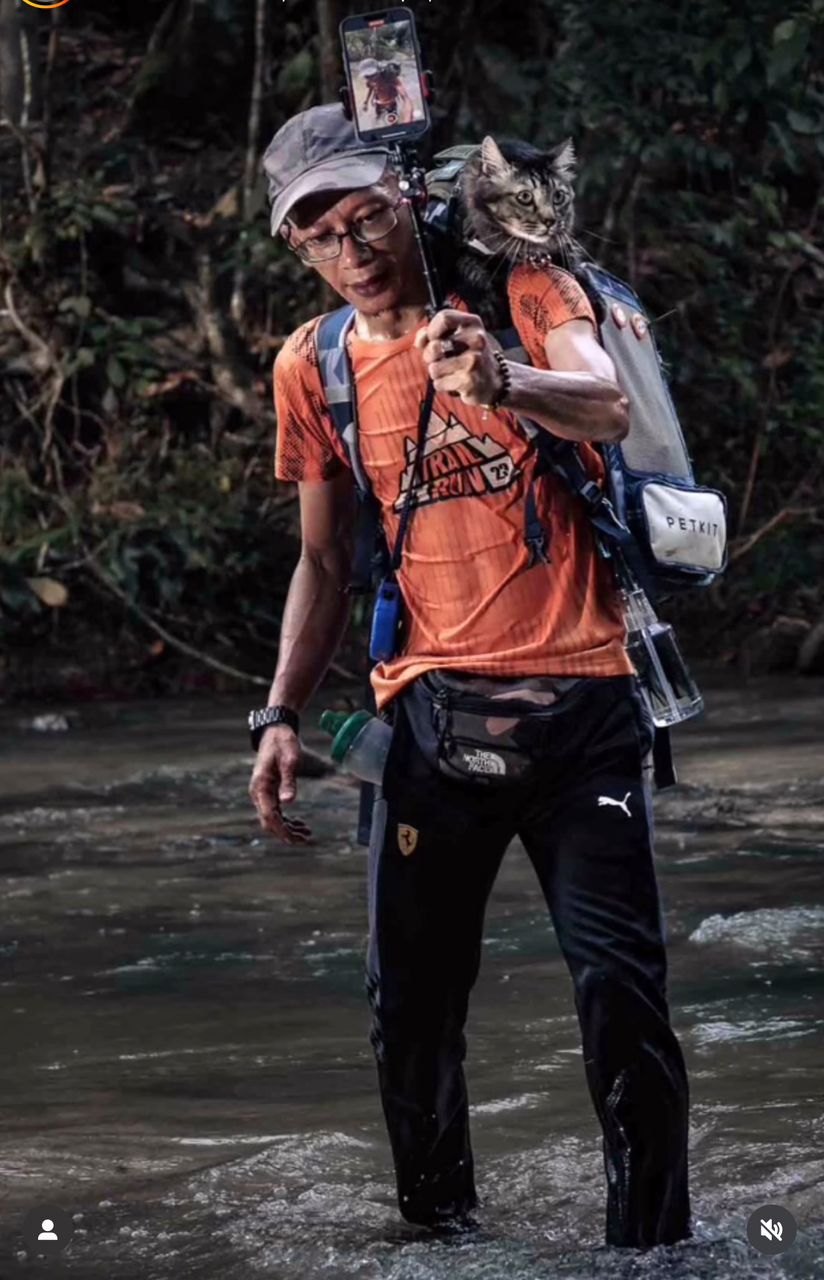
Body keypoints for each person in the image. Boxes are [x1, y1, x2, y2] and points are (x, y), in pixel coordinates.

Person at [250, 103, 693, 1250]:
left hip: (584, 702)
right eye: (320, 231)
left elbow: (598, 400)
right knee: (408, 1014)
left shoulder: (524, 295)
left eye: (365, 216)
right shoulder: (316, 365)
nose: (351, 248)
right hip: (429, 722)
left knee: (622, 1003)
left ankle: (650, 1250)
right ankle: (437, 1239)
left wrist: (502, 379)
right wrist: (279, 712)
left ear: (405, 202)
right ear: (292, 244)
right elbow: (319, 557)